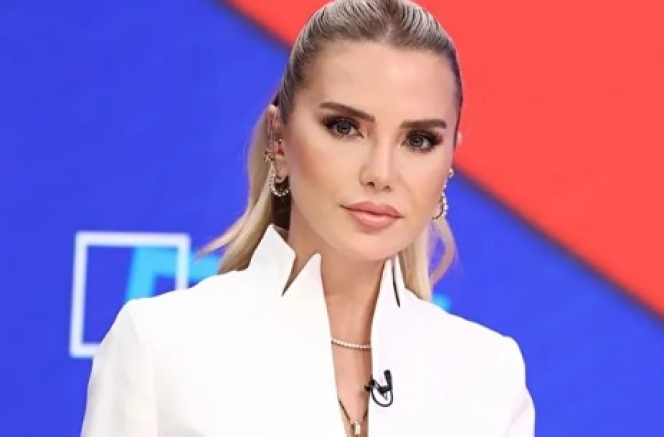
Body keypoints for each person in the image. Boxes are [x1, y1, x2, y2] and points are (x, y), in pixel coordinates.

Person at [80, 0, 535, 436]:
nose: (380, 174)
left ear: (449, 159)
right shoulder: (160, 347)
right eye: (345, 127)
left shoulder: (489, 374)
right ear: (279, 138)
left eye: (418, 140)